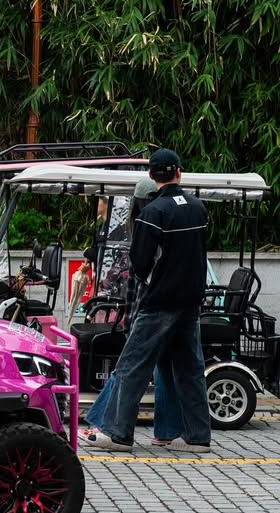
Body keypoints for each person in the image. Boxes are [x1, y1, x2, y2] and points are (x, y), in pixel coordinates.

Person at [81, 149, 211, 453]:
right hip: (191, 302)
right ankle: (197, 437)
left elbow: (139, 264)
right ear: (179, 172)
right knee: (190, 370)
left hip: (159, 303)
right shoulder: (198, 208)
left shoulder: (153, 213)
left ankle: (117, 433)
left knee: (131, 366)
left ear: (152, 176)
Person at [83, 179, 183, 447]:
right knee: (165, 369)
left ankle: (112, 428)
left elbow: (136, 278)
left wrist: (130, 317)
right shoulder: (172, 224)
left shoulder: (146, 226)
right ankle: (166, 431)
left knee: (128, 369)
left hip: (150, 309)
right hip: (173, 305)